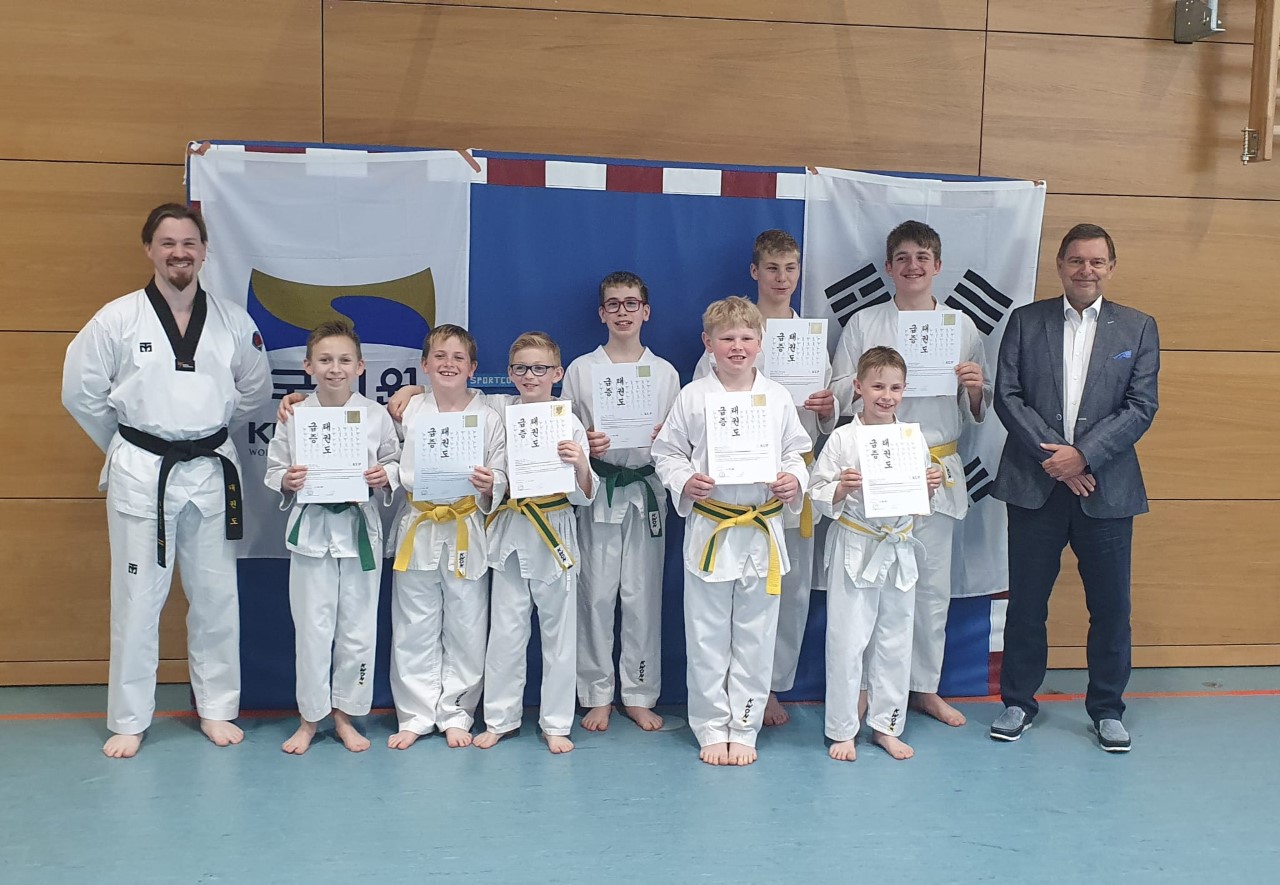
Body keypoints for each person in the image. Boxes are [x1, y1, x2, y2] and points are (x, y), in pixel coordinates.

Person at [61, 203, 271, 758]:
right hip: (143, 472)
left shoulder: (232, 321)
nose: (180, 253)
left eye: (189, 243)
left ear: (204, 251)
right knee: (137, 599)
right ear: (149, 249)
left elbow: (254, 391)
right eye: (168, 243)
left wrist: (204, 428)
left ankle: (217, 708)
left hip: (210, 467)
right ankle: (130, 718)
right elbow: (79, 391)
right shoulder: (117, 319)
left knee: (216, 597)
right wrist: (128, 444)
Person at [989, 223, 1159, 753]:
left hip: (1107, 490)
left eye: (1097, 261)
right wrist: (1057, 460)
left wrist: (1083, 456)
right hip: (1034, 485)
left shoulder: (1138, 327)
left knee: (1111, 608)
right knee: (1027, 604)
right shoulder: (1026, 321)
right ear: (1060, 265)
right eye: (1077, 260)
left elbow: (1141, 406)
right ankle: (1018, 702)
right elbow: (1007, 396)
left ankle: (1107, 709)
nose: (1087, 270)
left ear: (1111, 267)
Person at [830, 220, 990, 729]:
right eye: (902, 258)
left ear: (938, 266)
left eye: (923, 257)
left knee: (930, 587)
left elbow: (977, 411)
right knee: (870, 584)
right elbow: (838, 392)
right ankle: (862, 691)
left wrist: (974, 388)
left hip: (935, 467)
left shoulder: (961, 326)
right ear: (888, 267)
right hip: (876, 465)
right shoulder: (865, 322)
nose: (913, 266)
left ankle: (924, 688)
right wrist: (867, 385)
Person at [652, 297, 811, 766]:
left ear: (761, 343)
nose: (737, 346)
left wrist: (793, 479)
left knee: (756, 635)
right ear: (708, 343)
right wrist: (685, 480)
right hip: (712, 526)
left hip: (760, 526)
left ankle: (744, 725)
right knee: (706, 635)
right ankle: (709, 726)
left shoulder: (777, 397)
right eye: (727, 338)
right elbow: (667, 453)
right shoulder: (692, 395)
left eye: (746, 337)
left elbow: (796, 451)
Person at [691, 231, 837, 727]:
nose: (782, 277)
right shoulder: (729, 329)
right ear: (755, 271)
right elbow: (698, 413)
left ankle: (769, 686)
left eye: (790, 268)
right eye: (772, 267)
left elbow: (826, 419)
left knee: (787, 591)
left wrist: (826, 409)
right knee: (727, 597)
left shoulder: (810, 337)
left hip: (786, 484)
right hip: (732, 489)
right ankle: (724, 697)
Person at [264, 319, 400, 754]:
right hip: (312, 532)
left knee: (358, 629)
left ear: (360, 366)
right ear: (308, 366)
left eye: (344, 360)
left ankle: (346, 716)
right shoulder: (295, 416)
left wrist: (385, 475)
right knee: (312, 629)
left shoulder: (375, 414)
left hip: (359, 531)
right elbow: (274, 469)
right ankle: (309, 718)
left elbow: (395, 460)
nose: (334, 368)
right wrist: (287, 480)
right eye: (325, 360)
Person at [810, 347, 941, 761]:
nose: (887, 396)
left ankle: (887, 726)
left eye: (895, 388)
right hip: (856, 542)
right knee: (847, 641)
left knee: (895, 640)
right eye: (878, 386)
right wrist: (841, 488)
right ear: (859, 387)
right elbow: (816, 491)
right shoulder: (842, 438)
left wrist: (930, 485)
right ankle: (842, 729)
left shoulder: (911, 438)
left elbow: (920, 503)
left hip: (898, 545)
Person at [562, 272, 680, 733]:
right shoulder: (580, 369)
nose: (623, 312)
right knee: (595, 595)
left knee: (642, 596)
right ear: (601, 313)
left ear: (646, 311)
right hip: (600, 489)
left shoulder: (666, 372)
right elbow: (562, 432)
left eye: (632, 303)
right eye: (613, 304)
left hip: (646, 491)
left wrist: (665, 437)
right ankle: (596, 694)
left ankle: (639, 692)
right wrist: (584, 442)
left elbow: (682, 439)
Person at [473, 332, 597, 754]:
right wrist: (412, 391)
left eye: (540, 368)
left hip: (555, 528)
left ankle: (557, 722)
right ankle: (500, 718)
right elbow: (456, 397)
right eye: (521, 368)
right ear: (510, 373)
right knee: (506, 631)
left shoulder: (569, 421)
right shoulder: (498, 412)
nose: (531, 376)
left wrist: (580, 464)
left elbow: (585, 492)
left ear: (557, 373)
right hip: (512, 528)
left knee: (560, 634)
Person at [386, 324, 506, 750]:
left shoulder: (489, 415)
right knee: (413, 624)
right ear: (424, 364)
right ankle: (415, 714)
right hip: (418, 524)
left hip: (465, 525)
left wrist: (493, 483)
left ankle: (456, 712)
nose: (448, 364)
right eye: (439, 356)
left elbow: (500, 469)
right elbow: (387, 456)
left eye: (458, 358)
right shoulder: (408, 411)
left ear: (473, 367)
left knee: (466, 624)